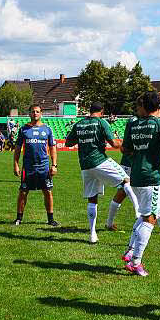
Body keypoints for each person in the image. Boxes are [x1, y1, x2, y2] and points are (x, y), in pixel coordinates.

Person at [64, 102, 137, 244]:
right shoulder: (101, 122)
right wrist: (127, 145)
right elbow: (114, 144)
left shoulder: (79, 124)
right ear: (101, 112)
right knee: (126, 180)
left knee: (92, 198)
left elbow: (68, 143)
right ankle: (139, 212)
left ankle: (92, 234)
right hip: (99, 160)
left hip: (85, 166)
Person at [121, 91, 160, 276]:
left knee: (144, 216)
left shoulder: (132, 125)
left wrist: (138, 155)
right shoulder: (158, 124)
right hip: (151, 177)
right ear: (158, 107)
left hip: (136, 175)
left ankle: (129, 252)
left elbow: (124, 148)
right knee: (151, 219)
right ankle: (136, 261)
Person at [13, 105, 58, 227]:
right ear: (29, 114)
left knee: (47, 191)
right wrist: (16, 164)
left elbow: (53, 148)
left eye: (37, 112)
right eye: (33, 112)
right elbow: (17, 148)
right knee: (23, 192)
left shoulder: (47, 129)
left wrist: (54, 165)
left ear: (41, 114)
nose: (35, 113)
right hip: (28, 167)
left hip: (43, 167)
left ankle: (51, 219)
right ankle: (18, 218)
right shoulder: (24, 130)